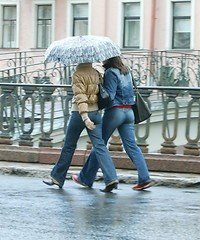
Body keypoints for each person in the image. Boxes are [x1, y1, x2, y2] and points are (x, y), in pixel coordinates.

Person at [72, 56, 152, 191]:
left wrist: (99, 88)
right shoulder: (126, 70)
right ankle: (145, 178)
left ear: (109, 59)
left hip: (116, 112)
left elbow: (110, 95)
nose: (102, 61)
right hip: (129, 112)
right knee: (132, 146)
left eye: (104, 59)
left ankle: (85, 178)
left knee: (99, 144)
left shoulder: (110, 72)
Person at [43, 62, 119, 192]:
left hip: (80, 115)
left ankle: (57, 178)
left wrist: (85, 117)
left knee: (69, 146)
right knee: (100, 146)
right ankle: (111, 178)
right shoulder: (97, 73)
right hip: (96, 114)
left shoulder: (78, 74)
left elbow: (80, 98)